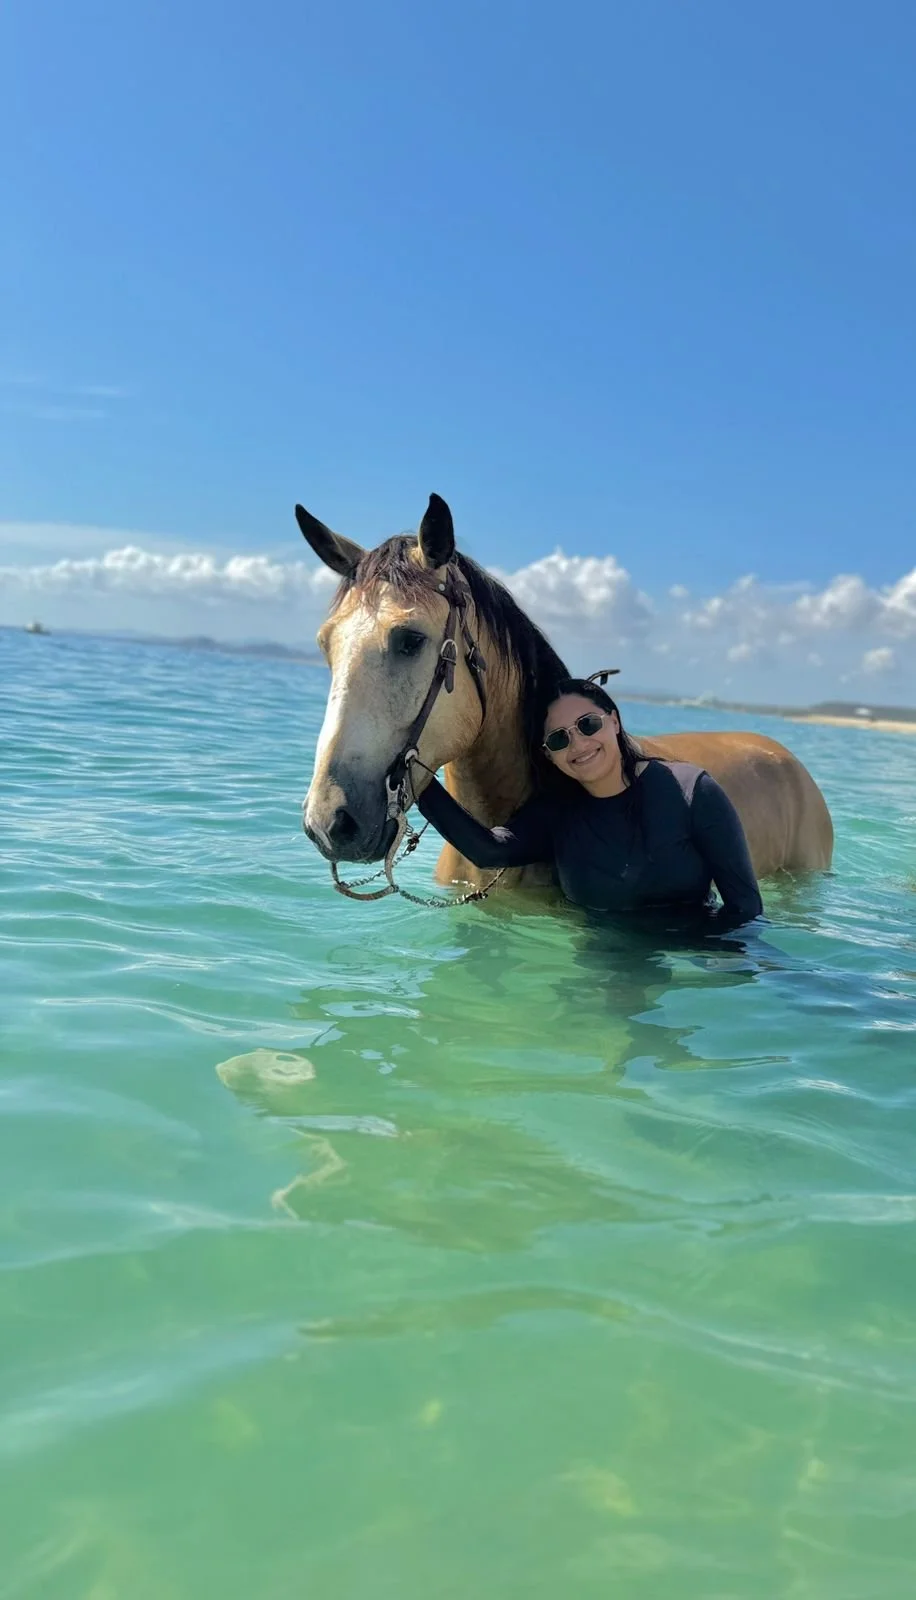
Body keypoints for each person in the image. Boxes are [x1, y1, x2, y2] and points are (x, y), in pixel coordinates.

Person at [414, 678, 764, 931]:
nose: (578, 744)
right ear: (549, 756)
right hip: (603, 958)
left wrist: (707, 966)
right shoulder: (557, 812)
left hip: (696, 954)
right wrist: (416, 776)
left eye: (588, 725)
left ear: (614, 721)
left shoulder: (691, 791)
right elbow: (489, 851)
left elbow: (745, 908)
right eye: (559, 738)